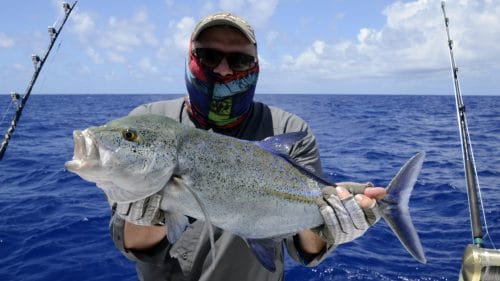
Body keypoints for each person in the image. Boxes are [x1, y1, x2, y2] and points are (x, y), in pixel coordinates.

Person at [109, 12, 386, 281]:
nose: (222, 69)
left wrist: (331, 226)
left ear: (256, 65)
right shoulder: (147, 125)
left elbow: (307, 248)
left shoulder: (288, 129)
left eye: (239, 60)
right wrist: (149, 217)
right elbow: (134, 245)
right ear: (190, 57)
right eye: (209, 56)